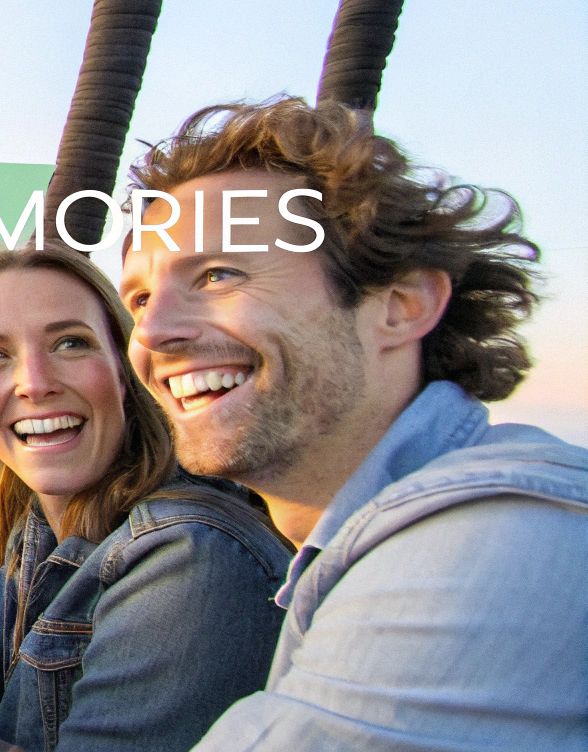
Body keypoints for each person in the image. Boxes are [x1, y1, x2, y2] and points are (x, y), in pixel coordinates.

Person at [117, 97, 588, 750]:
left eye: (220, 273)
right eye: (140, 298)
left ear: (400, 305)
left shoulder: (489, 542)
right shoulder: (353, 547)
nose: (152, 333)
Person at [0, 246, 291, 752]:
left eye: (70, 343)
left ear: (125, 371)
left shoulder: (189, 561)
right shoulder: (36, 528)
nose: (36, 384)